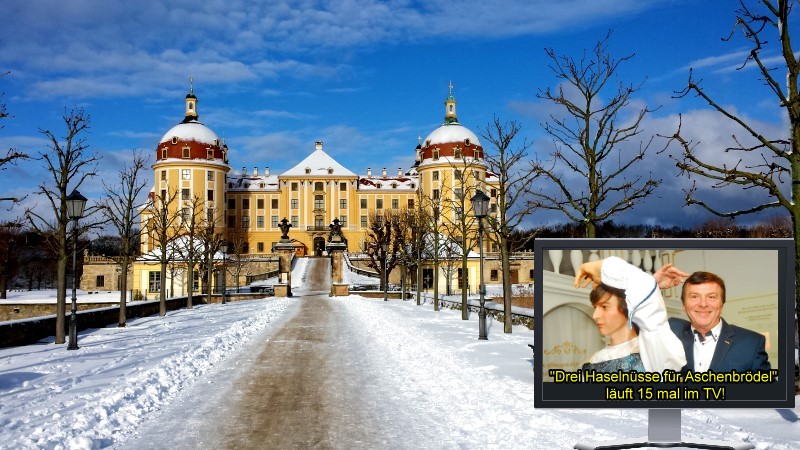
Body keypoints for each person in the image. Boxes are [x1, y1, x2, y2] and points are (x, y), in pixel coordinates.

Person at [575, 257, 687, 373]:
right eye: (595, 307)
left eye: (605, 307)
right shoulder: (589, 365)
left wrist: (603, 266)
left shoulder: (654, 353)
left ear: (628, 308)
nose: (595, 315)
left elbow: (649, 312)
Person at [668, 271, 770, 373]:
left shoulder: (751, 343)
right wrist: (655, 283)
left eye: (711, 297)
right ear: (684, 305)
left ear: (721, 304)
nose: (703, 304)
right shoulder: (671, 333)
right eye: (694, 296)